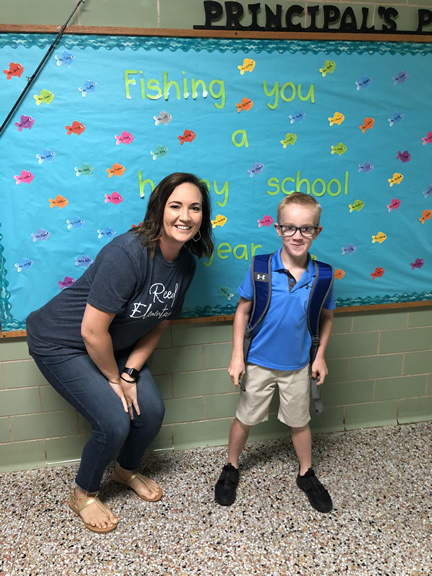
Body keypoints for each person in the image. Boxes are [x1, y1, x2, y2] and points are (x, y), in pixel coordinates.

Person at [26, 172, 213, 533]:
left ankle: (124, 471)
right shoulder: (128, 253)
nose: (185, 216)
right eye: (175, 206)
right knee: (114, 422)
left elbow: (158, 322)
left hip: (113, 345)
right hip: (61, 341)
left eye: (195, 208)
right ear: (158, 209)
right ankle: (83, 493)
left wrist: (130, 373)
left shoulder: (186, 264)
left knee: (151, 412)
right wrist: (115, 379)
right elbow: (91, 331)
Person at [215, 192, 335, 513]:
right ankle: (231, 466)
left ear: (317, 231)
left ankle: (306, 473)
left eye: (306, 228)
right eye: (290, 227)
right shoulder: (261, 268)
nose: (297, 235)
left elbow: (326, 317)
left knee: (300, 422)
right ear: (278, 229)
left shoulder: (323, 276)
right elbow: (242, 312)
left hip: (297, 365)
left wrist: (320, 355)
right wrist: (237, 357)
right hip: (258, 363)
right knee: (245, 417)